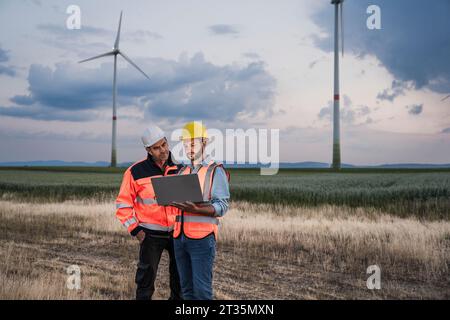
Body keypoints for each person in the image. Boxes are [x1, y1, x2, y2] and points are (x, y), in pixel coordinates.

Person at [115, 124, 182, 300]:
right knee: (145, 282)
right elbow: (123, 204)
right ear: (148, 150)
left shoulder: (181, 168)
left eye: (164, 144)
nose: (162, 150)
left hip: (178, 233)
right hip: (150, 235)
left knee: (180, 282)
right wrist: (136, 231)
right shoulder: (135, 172)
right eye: (156, 148)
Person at [171, 121, 230, 300]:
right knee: (186, 291)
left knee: (202, 293)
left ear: (204, 143)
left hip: (202, 240)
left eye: (193, 143)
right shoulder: (182, 171)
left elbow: (222, 206)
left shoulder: (214, 170)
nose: (189, 147)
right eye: (185, 143)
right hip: (179, 238)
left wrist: (197, 209)